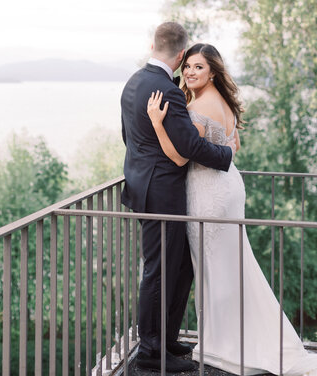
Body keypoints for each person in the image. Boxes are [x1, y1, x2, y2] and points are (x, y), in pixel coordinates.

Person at [147, 43, 317, 376]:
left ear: (213, 71)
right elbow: (233, 146)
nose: (192, 73)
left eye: (199, 67)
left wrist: (156, 123)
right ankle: (237, 339)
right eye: (189, 67)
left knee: (216, 269)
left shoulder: (199, 109)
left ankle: (227, 345)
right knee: (234, 264)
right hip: (227, 186)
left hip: (208, 191)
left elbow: (180, 157)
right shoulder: (224, 103)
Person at [120, 23, 235, 373]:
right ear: (182, 55)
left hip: (146, 186)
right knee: (159, 271)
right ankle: (151, 354)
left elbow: (129, 137)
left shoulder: (133, 83)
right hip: (162, 193)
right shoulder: (166, 90)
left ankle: (167, 339)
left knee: (179, 266)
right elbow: (187, 145)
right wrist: (225, 155)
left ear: (152, 44)